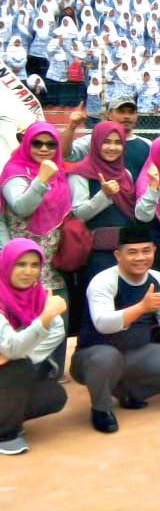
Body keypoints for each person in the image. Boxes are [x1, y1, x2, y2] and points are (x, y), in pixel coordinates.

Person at [71, 224, 160, 433]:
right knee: (105, 359)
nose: (140, 258)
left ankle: (127, 393)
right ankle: (101, 409)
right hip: (93, 356)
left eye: (146, 251)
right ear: (118, 255)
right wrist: (141, 308)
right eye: (132, 252)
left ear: (154, 251)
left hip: (134, 354)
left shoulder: (157, 278)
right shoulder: (103, 281)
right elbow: (103, 323)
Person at [0, 122, 72, 362]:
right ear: (26, 144)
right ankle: (20, 367)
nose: (44, 148)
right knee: (22, 318)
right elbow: (21, 207)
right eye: (37, 143)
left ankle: (51, 371)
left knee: (58, 313)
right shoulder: (15, 171)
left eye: (51, 144)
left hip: (51, 261)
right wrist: (41, 179)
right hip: (20, 261)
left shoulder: (58, 172)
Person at [0, 240, 68, 455]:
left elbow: (56, 332)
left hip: (10, 371)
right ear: (6, 265)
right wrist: (45, 317)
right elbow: (12, 348)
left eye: (34, 265)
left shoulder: (39, 296)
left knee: (54, 395)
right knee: (18, 367)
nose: (28, 271)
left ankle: (7, 415)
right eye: (20, 264)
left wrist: (16, 353)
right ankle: (5, 434)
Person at [69, 121, 138, 279]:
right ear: (96, 142)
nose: (112, 147)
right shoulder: (81, 173)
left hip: (126, 250)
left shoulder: (125, 174)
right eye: (106, 142)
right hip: (96, 253)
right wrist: (104, 195)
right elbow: (79, 214)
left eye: (117, 142)